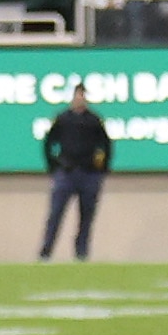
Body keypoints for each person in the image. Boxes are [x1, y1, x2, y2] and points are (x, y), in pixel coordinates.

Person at [38, 86, 112, 260]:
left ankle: (81, 253)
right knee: (55, 214)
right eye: (77, 96)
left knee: (86, 218)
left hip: (89, 174)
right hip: (66, 172)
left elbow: (106, 145)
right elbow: (49, 143)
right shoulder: (63, 119)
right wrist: (53, 166)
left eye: (83, 96)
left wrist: (101, 170)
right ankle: (46, 252)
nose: (80, 99)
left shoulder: (94, 121)